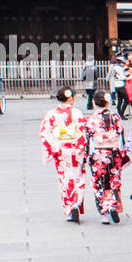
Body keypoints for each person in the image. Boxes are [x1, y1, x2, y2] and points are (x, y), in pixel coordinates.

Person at [39, 88, 87, 222]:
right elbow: (83, 132)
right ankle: (77, 202)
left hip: (60, 151)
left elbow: (44, 134)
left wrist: (53, 148)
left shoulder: (51, 114)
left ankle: (70, 208)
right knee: (78, 178)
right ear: (71, 98)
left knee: (65, 179)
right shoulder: (77, 113)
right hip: (76, 150)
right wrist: (82, 148)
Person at [83, 91, 129, 224]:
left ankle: (105, 212)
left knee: (99, 182)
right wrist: (122, 153)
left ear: (94, 102)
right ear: (108, 102)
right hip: (113, 153)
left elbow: (87, 140)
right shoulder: (115, 117)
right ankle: (113, 204)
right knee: (113, 180)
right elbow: (121, 136)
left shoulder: (91, 119)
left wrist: (87, 156)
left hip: (99, 154)